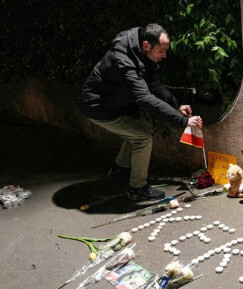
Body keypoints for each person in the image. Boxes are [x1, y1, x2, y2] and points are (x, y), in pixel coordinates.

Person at [80, 23, 202, 201]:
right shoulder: (124, 61)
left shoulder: (138, 51)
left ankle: (120, 172)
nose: (164, 55)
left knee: (140, 129)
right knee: (143, 138)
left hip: (115, 103)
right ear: (147, 45)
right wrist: (183, 121)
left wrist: (176, 105)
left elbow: (153, 84)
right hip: (99, 107)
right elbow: (144, 97)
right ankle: (137, 189)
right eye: (161, 51)